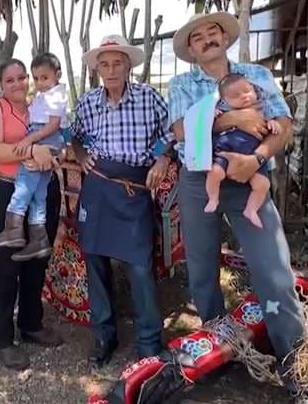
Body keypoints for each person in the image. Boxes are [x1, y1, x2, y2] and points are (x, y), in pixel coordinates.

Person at [167, 12, 308, 402]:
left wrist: (257, 157)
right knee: (201, 266)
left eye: (214, 32)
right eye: (199, 37)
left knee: (273, 268)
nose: (208, 39)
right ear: (192, 51)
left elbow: (284, 122)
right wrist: (236, 117)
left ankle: (296, 365)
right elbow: (179, 130)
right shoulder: (182, 83)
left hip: (250, 176)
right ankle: (220, 350)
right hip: (200, 180)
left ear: (225, 39)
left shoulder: (256, 75)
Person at [71, 35, 172, 367]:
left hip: (133, 188)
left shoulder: (149, 98)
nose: (111, 70)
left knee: (140, 266)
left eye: (117, 63)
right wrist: (82, 152)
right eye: (104, 64)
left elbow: (170, 133)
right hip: (98, 187)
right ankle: (104, 335)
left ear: (128, 65)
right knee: (95, 262)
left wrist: (160, 160)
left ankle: (149, 342)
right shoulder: (87, 102)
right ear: (97, 68)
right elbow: (74, 134)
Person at [0, 57, 65, 371]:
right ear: (1, 84)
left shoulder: (39, 106)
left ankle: (31, 322)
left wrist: (56, 152)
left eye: (21, 77)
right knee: (5, 267)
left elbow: (58, 138)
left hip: (43, 191)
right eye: (9, 80)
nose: (17, 84)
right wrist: (32, 150)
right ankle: (3, 338)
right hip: (5, 193)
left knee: (37, 259)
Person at [0, 52, 68, 262]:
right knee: (38, 195)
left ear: (57, 75)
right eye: (36, 78)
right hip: (46, 140)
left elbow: (53, 125)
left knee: (24, 184)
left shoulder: (56, 95)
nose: (39, 83)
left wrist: (30, 141)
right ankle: (39, 239)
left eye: (44, 78)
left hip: (44, 138)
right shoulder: (42, 97)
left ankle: (13, 229)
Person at [205, 73, 283, 228]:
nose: (244, 97)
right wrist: (214, 115)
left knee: (262, 185)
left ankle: (251, 209)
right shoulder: (223, 111)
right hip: (226, 150)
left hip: (253, 154)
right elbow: (207, 122)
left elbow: (273, 124)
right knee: (215, 173)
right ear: (225, 100)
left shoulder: (262, 109)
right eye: (235, 96)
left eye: (248, 91)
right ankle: (213, 198)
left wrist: (273, 124)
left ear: (254, 90)